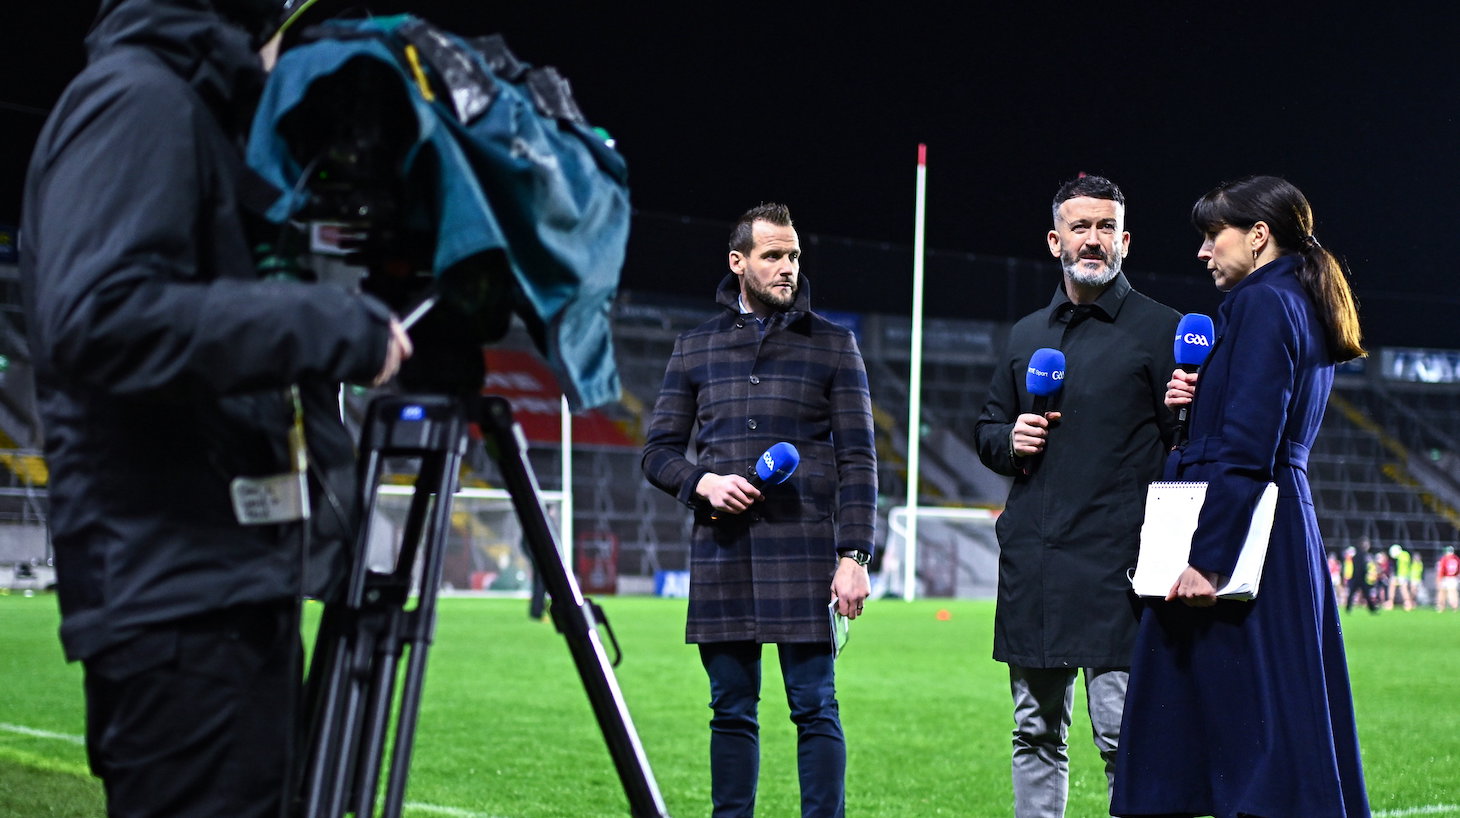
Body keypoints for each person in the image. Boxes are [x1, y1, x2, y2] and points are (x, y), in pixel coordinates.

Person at [21, 1, 412, 815]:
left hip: (217, 586)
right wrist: (322, 323)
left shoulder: (182, 107)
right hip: (180, 598)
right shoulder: (139, 97)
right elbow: (100, 315)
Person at [1112, 176, 1369, 817]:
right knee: (1278, 722)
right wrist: (1197, 408)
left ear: (1258, 236)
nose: (1203, 251)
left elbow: (1250, 447)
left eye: (1212, 235)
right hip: (1281, 524)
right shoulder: (1303, 301)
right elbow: (1259, 427)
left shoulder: (1260, 304)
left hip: (1243, 530)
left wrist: (1208, 559)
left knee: (1238, 742)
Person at [641, 203, 877, 817]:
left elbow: (859, 460)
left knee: (815, 705)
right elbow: (658, 453)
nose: (787, 267)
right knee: (730, 710)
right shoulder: (694, 348)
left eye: (794, 255)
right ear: (737, 262)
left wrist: (854, 555)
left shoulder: (834, 344)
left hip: (805, 549)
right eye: (773, 255)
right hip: (722, 549)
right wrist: (703, 483)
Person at [972, 175, 1180, 818]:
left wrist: (1187, 415)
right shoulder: (1025, 333)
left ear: (1124, 238)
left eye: (1104, 227)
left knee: (1125, 738)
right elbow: (985, 429)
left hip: (1121, 566)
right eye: (1080, 227)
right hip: (1035, 564)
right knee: (1034, 732)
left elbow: (1189, 446)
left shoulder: (1161, 328)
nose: (1093, 240)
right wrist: (1011, 440)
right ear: (1055, 239)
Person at [1346, 539, 1380, 614]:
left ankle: (1348, 608)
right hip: (1361, 578)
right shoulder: (1364, 555)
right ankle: (1372, 609)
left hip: (1355, 577)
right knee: (1366, 594)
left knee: (1352, 593)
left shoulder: (1355, 555)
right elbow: (1363, 567)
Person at [1437, 546, 1460, 612]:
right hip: (1454, 578)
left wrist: (1439, 578)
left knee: (1442, 593)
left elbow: (1442, 569)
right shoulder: (1457, 558)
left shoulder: (1444, 558)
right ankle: (1455, 607)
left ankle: (1441, 607)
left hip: (1446, 578)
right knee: (1453, 593)